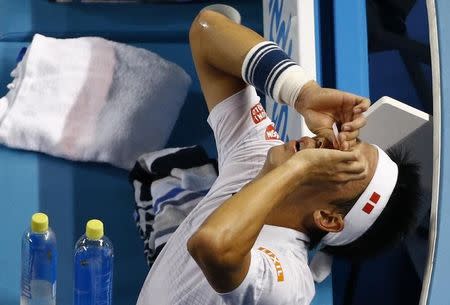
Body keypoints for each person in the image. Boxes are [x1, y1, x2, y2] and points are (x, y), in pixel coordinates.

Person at [137, 9, 421, 305]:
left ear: (327, 218)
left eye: (340, 162)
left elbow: (212, 245)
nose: (323, 142)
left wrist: (299, 167)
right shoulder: (261, 159)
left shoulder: (289, 281)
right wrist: (302, 93)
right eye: (342, 141)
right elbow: (206, 31)